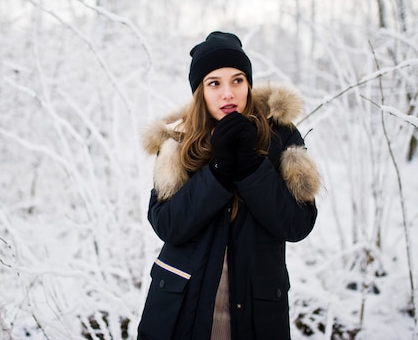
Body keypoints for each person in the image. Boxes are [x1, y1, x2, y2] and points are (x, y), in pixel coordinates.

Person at [137, 31, 321, 340]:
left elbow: (297, 224)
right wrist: (218, 170)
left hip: (256, 313)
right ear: (200, 91)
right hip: (179, 310)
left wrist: (252, 167)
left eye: (237, 80)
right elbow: (168, 226)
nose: (228, 94)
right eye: (214, 83)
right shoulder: (177, 142)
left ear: (249, 84)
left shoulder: (281, 138)